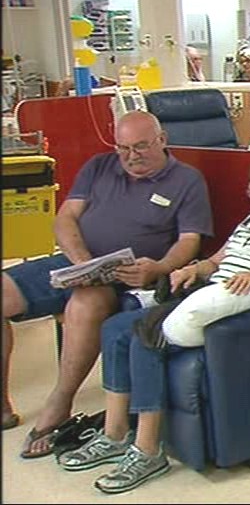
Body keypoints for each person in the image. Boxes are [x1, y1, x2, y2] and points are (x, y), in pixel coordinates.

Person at [56, 156, 250, 494]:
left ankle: (148, 451)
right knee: (114, 330)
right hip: (202, 292)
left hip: (226, 304)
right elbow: (216, 261)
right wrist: (193, 269)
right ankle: (115, 432)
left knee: (146, 336)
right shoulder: (249, 224)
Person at [2, 111, 213, 456]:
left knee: (85, 303)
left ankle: (60, 401)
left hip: (126, 276)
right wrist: (82, 261)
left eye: (141, 146)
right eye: (123, 148)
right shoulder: (99, 166)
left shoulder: (186, 180)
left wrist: (158, 268)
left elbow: (189, 241)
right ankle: (2, 406)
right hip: (75, 261)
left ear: (162, 140)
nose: (131, 156)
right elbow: (65, 218)